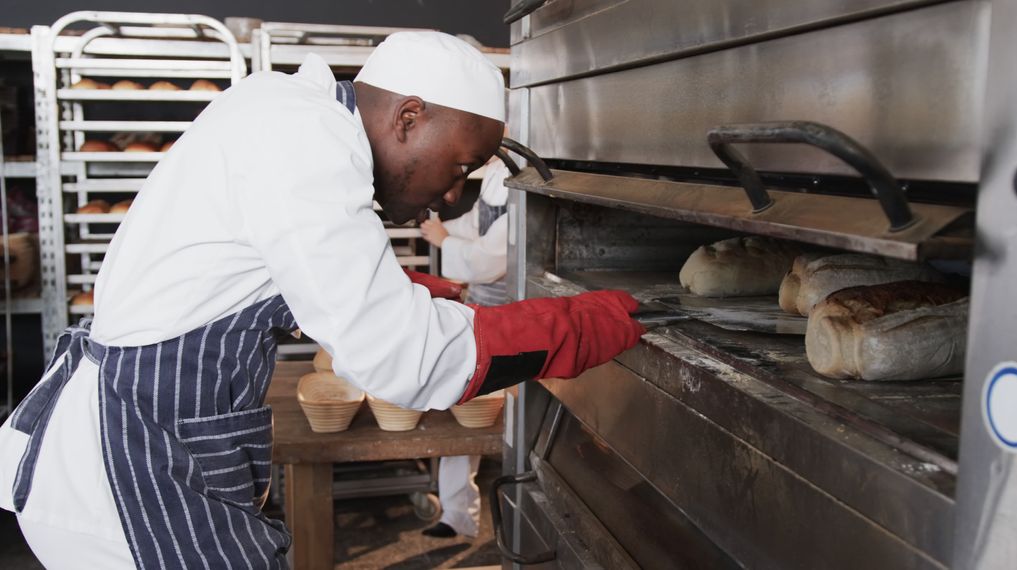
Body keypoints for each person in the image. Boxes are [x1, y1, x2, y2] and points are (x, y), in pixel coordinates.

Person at [0, 32, 643, 569]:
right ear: (409, 117)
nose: (453, 194)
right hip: (136, 471)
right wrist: (575, 327)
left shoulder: (283, 109)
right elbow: (407, 358)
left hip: (136, 450)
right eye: (458, 165)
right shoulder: (306, 140)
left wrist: (423, 289)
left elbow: (272, 272)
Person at [418, 155, 513, 539]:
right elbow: (478, 224)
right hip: (484, 307)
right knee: (464, 400)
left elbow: (493, 258)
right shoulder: (494, 170)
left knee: (511, 413)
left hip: (515, 310)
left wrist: (445, 240)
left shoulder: (523, 170)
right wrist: (437, 228)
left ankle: (519, 510)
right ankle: (458, 513)